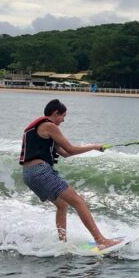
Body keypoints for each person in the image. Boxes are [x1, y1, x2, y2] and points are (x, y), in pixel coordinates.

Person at [19, 99, 121, 250]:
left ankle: (62, 243)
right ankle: (101, 240)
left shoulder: (39, 130)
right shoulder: (49, 125)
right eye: (63, 116)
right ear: (55, 113)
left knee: (62, 205)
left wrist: (95, 148)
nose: (63, 120)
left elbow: (65, 153)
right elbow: (72, 149)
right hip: (39, 171)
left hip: (28, 175)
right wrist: (94, 146)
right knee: (78, 201)